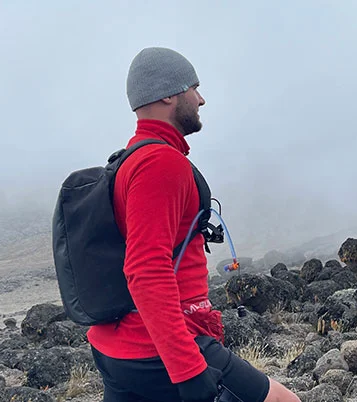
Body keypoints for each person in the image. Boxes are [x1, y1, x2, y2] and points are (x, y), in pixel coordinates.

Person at [87, 47, 300, 402]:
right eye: (193, 88)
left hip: (116, 349)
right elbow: (146, 269)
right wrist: (188, 370)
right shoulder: (159, 163)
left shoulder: (130, 158)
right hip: (155, 350)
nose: (201, 99)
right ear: (168, 94)